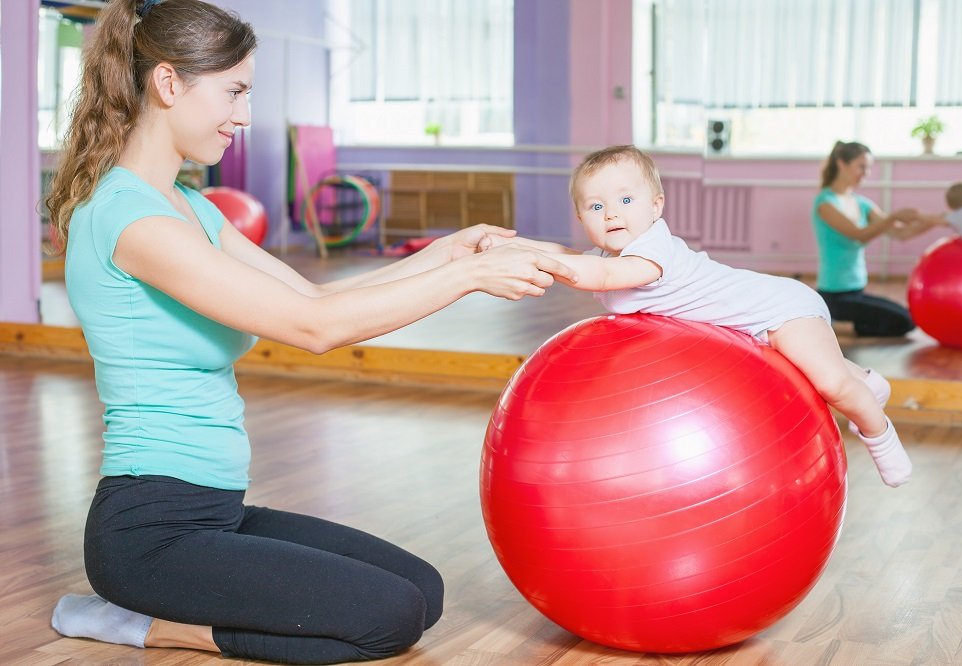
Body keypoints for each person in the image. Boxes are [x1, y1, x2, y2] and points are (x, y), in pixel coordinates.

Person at [44, 0, 574, 663]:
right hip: (149, 533)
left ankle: (160, 607)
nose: (244, 116)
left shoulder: (192, 209)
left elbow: (310, 295)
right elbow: (314, 328)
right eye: (234, 91)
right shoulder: (132, 222)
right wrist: (469, 280)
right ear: (169, 83)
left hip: (216, 512)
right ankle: (141, 624)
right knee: (390, 617)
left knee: (422, 589)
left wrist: (448, 253)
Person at [477, 145, 912, 488]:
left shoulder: (652, 250)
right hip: (757, 324)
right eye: (595, 207)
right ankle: (869, 380)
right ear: (580, 217)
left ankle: (878, 431)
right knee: (824, 366)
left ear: (656, 206)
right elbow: (571, 254)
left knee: (833, 385)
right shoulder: (615, 249)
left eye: (625, 199)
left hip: (779, 309)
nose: (610, 213)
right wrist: (518, 248)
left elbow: (604, 274)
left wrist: (549, 267)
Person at [812, 141, 932, 337]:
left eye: (868, 168)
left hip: (857, 290)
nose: (866, 173)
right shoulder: (825, 203)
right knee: (904, 322)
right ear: (842, 163)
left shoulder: (861, 203)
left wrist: (937, 220)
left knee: (909, 316)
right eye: (862, 167)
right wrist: (892, 216)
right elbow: (859, 235)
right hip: (834, 296)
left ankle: (838, 323)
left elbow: (901, 233)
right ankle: (836, 325)